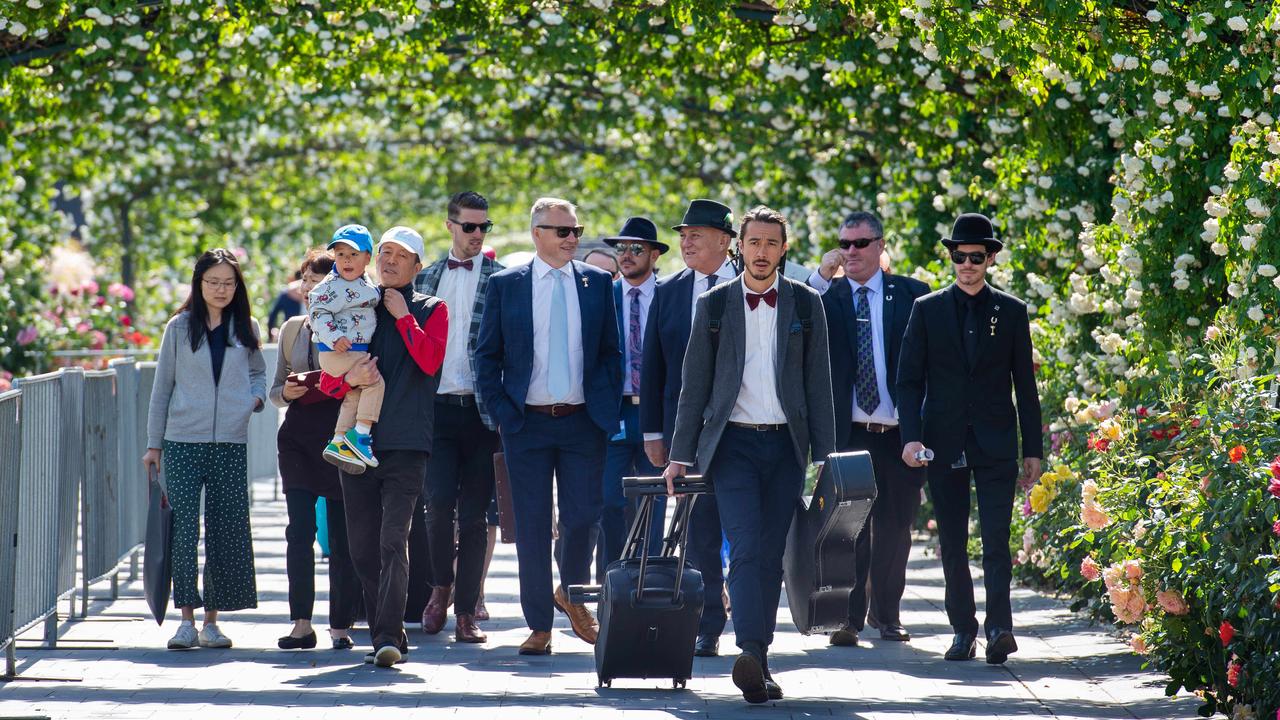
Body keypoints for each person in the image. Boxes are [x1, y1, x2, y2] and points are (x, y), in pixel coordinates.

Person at [662, 206, 835, 704]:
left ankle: (758, 657)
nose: (761, 252)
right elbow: (692, 387)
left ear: (784, 249)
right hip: (731, 446)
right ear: (740, 246)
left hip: (786, 446)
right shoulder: (714, 306)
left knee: (770, 550)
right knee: (744, 544)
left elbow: (818, 386)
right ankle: (752, 652)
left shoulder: (806, 305)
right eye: (753, 242)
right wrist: (680, 454)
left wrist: (825, 457)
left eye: (771, 243)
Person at [475, 197, 622, 656]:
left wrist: (605, 405)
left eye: (576, 230)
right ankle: (539, 624)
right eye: (563, 232)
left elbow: (610, 353)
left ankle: (573, 595)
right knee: (533, 527)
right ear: (538, 233)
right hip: (527, 424)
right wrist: (502, 412)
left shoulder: (597, 282)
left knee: (583, 519)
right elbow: (485, 355)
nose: (573, 238)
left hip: (584, 423)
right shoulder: (507, 285)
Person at [897, 212, 1043, 665]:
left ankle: (1001, 627)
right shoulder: (927, 309)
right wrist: (910, 438)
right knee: (954, 542)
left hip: (996, 441)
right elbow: (908, 382)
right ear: (951, 257)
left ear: (991, 258)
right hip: (942, 441)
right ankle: (963, 629)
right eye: (959, 256)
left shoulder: (1013, 311)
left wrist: (1033, 449)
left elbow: (1026, 386)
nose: (966, 264)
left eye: (976, 257)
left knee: (997, 540)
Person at [318, 226, 449, 668]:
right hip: (357, 444)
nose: (390, 261)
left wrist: (404, 317)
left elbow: (431, 362)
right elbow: (331, 377)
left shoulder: (434, 309)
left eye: (402, 255)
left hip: (408, 443)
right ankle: (383, 631)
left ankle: (387, 635)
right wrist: (347, 380)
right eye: (386, 253)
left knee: (394, 539)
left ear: (418, 266)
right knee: (360, 546)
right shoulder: (358, 304)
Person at [810, 212, 930, 646]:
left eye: (861, 243)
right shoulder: (827, 299)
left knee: (897, 528)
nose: (851, 252)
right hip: (851, 432)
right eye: (844, 244)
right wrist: (821, 277)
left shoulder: (914, 296)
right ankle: (847, 619)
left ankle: (889, 615)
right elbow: (795, 327)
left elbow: (928, 367)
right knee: (850, 528)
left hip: (900, 432)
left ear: (881, 245)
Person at [143, 248, 266, 650]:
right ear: (199, 284)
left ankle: (213, 621)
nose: (220, 289)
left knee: (226, 528)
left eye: (228, 283)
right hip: (181, 442)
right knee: (181, 529)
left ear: (237, 286)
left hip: (230, 441)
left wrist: (253, 401)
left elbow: (258, 372)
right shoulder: (179, 328)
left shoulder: (247, 326)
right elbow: (162, 388)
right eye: (212, 282)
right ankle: (186, 620)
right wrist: (153, 444)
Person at [640, 198, 737, 657]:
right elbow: (653, 368)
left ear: (725, 241)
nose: (686, 241)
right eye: (683, 234)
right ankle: (709, 623)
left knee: (748, 530)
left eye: (697, 233)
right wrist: (654, 434)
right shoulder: (670, 290)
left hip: (744, 427)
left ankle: (751, 614)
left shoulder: (749, 286)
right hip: (689, 434)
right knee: (699, 530)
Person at [413, 191, 504, 643]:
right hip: (435, 410)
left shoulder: (503, 278)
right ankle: (439, 589)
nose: (477, 234)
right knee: (436, 508)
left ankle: (466, 610)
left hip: (482, 413)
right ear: (450, 226)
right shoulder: (425, 278)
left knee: (473, 517)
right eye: (469, 226)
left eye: (484, 226)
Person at [272, 248, 361, 651]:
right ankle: (300, 622)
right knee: (299, 532)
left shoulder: (357, 327)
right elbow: (276, 390)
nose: (311, 289)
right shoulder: (292, 328)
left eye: (321, 282)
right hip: (298, 437)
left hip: (340, 432)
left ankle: (341, 624)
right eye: (306, 280)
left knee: (343, 539)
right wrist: (287, 391)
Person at [597, 217, 667, 575]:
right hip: (615, 411)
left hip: (657, 413)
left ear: (654, 254)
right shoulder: (603, 294)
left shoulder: (672, 294)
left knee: (653, 503)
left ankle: (650, 578)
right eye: (621, 247)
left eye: (636, 248)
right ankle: (611, 581)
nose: (626, 255)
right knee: (609, 501)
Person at [309, 224, 385, 471]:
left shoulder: (363, 280)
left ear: (367, 258)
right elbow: (317, 312)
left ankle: (339, 440)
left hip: (351, 350)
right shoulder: (332, 285)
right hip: (337, 350)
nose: (346, 260)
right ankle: (360, 435)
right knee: (375, 383)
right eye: (340, 254)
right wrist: (334, 336)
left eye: (353, 254)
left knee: (354, 394)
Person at [267, 271, 304, 341]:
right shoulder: (314, 290)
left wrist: (270, 335)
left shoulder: (285, 293)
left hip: (290, 331)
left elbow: (272, 314)